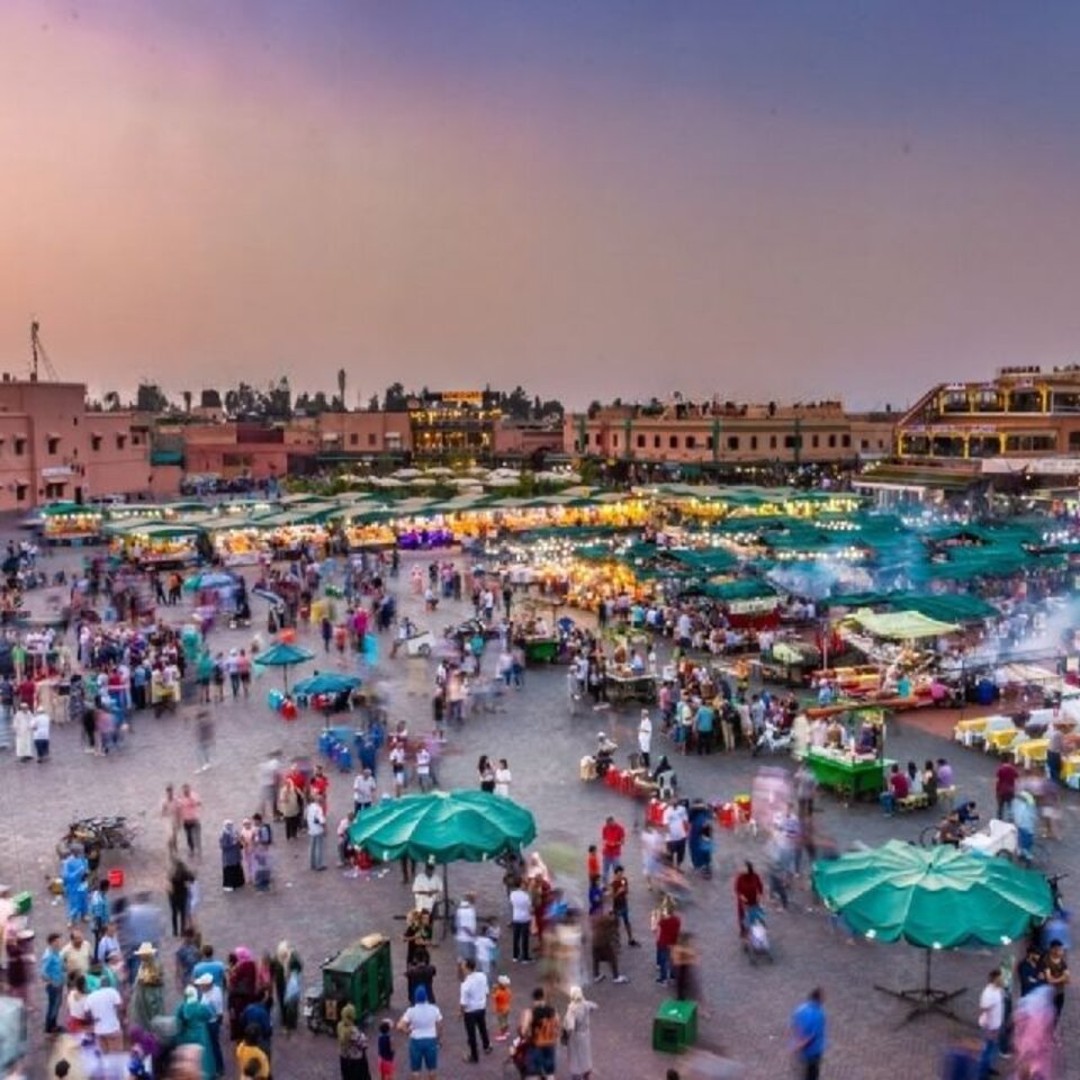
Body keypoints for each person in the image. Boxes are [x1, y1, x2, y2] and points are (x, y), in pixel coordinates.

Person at [397, 985, 442, 1079]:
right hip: (430, 1039)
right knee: (432, 1068)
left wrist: (407, 1031)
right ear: (426, 997)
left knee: (416, 1070)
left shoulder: (411, 1011)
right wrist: (438, 1037)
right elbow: (439, 1025)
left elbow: (400, 1026)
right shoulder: (434, 1009)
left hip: (416, 1041)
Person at [521, 986, 560, 1080]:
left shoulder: (530, 1012)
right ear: (543, 997)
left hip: (536, 1045)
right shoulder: (553, 1010)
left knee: (533, 1074)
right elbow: (558, 1025)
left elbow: (524, 1030)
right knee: (550, 1073)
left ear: (533, 998)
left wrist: (526, 1035)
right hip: (550, 1044)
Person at [459, 957, 492, 1064]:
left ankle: (474, 1056)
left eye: (463, 965)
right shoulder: (482, 976)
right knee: (482, 1027)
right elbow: (487, 992)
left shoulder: (465, 984)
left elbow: (463, 1002)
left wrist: (461, 1012)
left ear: (467, 967)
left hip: (470, 1011)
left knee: (471, 1033)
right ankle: (486, 1045)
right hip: (481, 1007)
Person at [790, 987, 826, 1080]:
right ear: (819, 998)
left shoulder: (800, 1009)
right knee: (812, 1074)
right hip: (813, 1051)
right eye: (823, 997)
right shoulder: (818, 1014)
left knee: (801, 1073)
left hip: (800, 1049)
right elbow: (811, 1036)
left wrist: (796, 1043)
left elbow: (794, 1024)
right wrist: (801, 1045)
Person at [562, 985, 597, 1080]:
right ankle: (586, 1075)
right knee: (586, 1055)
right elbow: (595, 1006)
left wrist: (566, 1035)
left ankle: (577, 1076)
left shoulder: (572, 1009)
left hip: (575, 1037)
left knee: (576, 1058)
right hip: (585, 1034)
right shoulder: (585, 1004)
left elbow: (570, 1027)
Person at [977, 968, 1005, 1078]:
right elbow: (984, 1009)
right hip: (989, 1027)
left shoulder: (998, 989)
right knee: (986, 1050)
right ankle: (982, 1074)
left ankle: (987, 1068)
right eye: (1001, 978)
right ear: (996, 979)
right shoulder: (988, 993)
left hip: (995, 1025)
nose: (1003, 980)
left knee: (991, 1049)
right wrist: (989, 1029)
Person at [337, 1003, 372, 1080]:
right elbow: (363, 1044)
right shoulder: (353, 1031)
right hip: (356, 1061)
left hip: (344, 1058)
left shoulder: (340, 1027)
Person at [734, 862, 764, 939]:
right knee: (743, 918)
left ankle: (756, 933)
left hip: (754, 901)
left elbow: (760, 887)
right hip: (743, 903)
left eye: (744, 868)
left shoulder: (755, 876)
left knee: (755, 916)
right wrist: (741, 896)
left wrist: (759, 895)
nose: (742, 869)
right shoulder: (740, 878)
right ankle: (744, 932)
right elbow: (737, 889)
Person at [1043, 939, 1069, 1027]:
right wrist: (1062, 978)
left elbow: (1068, 979)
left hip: (1060, 992)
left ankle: (1051, 1033)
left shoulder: (1062, 962)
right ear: (1052, 949)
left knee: (1056, 1015)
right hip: (1049, 994)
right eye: (1059, 949)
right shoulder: (1046, 961)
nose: (1061, 952)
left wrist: (1058, 979)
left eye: (1061, 949)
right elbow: (1049, 979)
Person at [219, 821, 245, 891]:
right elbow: (223, 846)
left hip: (236, 855)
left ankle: (238, 883)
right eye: (228, 825)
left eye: (230, 825)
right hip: (229, 857)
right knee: (230, 871)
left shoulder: (235, 831)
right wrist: (233, 843)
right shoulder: (224, 834)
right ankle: (229, 885)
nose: (229, 826)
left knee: (237, 869)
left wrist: (239, 842)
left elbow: (239, 842)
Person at [306, 797, 327, 872]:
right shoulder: (318, 809)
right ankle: (319, 865)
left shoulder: (310, 807)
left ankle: (312, 863)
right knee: (319, 847)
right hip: (318, 830)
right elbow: (321, 821)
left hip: (311, 829)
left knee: (312, 847)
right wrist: (325, 829)